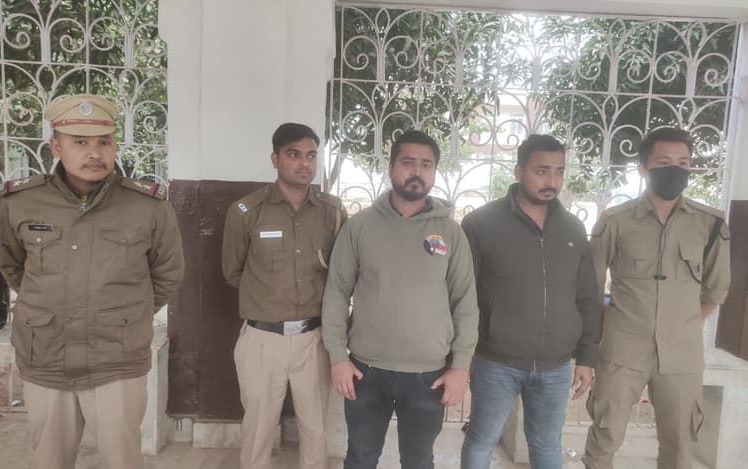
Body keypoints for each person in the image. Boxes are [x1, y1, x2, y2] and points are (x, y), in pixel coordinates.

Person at [0, 94, 184, 469]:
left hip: (116, 358)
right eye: (80, 142)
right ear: (56, 146)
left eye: (104, 142)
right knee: (50, 460)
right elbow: (12, 265)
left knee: (122, 460)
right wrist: (48, 302)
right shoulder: (18, 203)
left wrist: (128, 315)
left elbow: (168, 273)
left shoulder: (147, 206)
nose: (94, 153)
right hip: (45, 354)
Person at [322, 129, 479, 469]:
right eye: (408, 162)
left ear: (434, 172)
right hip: (365, 371)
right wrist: (337, 357)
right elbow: (336, 292)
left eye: (426, 164)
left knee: (419, 461)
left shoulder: (450, 233)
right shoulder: (360, 226)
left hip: (428, 375)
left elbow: (465, 304)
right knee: (360, 458)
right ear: (391, 167)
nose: (417, 171)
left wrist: (460, 367)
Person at [582, 127, 731, 469]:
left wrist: (680, 324)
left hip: (682, 355)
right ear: (643, 168)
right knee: (605, 436)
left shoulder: (710, 225)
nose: (675, 169)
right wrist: (613, 322)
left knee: (680, 443)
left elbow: (715, 291)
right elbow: (591, 290)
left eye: (683, 163)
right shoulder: (615, 222)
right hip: (622, 351)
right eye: (664, 162)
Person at [460, 134, 600, 469]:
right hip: (495, 361)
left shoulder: (573, 228)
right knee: (482, 439)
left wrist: (587, 357)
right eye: (541, 171)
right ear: (519, 171)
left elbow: (587, 295)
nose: (552, 181)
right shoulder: (481, 224)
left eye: (559, 171)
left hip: (556, 365)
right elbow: (462, 294)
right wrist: (460, 355)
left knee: (546, 444)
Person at [222, 122, 346, 469]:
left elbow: (341, 274)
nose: (304, 163)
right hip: (263, 339)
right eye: (294, 154)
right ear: (275, 159)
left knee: (315, 430)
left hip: (314, 339)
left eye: (311, 155)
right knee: (258, 431)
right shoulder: (246, 211)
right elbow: (232, 271)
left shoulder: (332, 212)